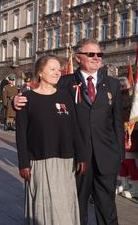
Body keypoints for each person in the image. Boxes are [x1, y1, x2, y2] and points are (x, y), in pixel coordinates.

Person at [14, 38, 125, 225]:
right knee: (77, 205)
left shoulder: (113, 84)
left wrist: (119, 154)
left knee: (108, 208)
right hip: (78, 157)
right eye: (91, 54)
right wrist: (15, 101)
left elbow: (117, 122)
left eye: (99, 54)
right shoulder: (65, 82)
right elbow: (41, 95)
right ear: (79, 57)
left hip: (106, 156)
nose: (96, 58)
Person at [16, 55, 86, 224]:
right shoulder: (27, 99)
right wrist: (23, 163)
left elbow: (74, 127)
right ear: (40, 73)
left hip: (65, 161)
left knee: (64, 207)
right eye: (52, 69)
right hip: (40, 162)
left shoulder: (66, 95)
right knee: (44, 207)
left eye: (59, 69)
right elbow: (21, 134)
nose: (57, 72)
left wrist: (81, 156)